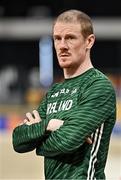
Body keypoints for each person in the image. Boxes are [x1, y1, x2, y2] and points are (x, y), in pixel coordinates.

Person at [12, 9, 116, 180]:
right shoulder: (54, 92)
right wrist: (49, 125)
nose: (62, 46)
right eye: (57, 39)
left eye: (70, 38)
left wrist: (38, 139)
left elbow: (66, 142)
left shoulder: (99, 86)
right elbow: (18, 140)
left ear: (89, 41)